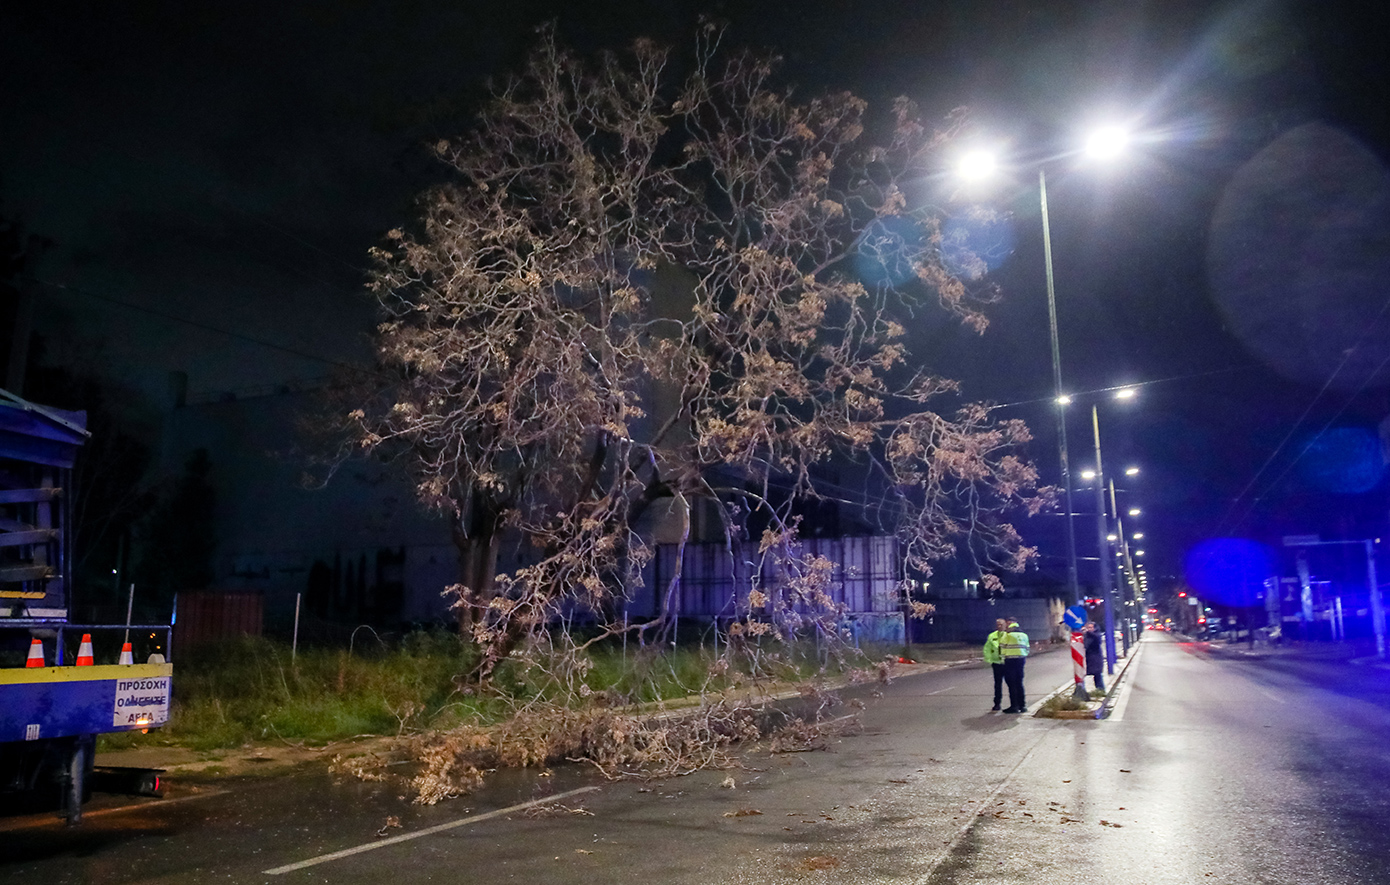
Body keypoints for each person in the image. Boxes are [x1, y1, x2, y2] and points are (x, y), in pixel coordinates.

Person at [1000, 618, 1030, 713]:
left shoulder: (1007, 635)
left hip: (1010, 661)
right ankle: (1023, 706)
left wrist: (1002, 659)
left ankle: (1014, 706)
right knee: (1019, 683)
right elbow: (1027, 648)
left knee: (1011, 684)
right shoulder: (1024, 635)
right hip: (1021, 660)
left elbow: (1002, 648)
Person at [982, 618, 1007, 712]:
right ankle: (997, 704)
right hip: (996, 663)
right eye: (998, 624)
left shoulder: (1008, 635)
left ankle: (1015, 704)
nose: (999, 626)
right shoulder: (992, 636)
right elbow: (987, 648)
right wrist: (989, 659)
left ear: (1005, 625)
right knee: (997, 684)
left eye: (1001, 624)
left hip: (1007, 663)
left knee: (1012, 684)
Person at [1082, 621, 1105, 693]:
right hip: (1089, 659)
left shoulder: (1096, 635)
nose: (1089, 629)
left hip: (1096, 659)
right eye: (1088, 627)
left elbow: (1097, 639)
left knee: (1097, 675)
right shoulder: (1086, 636)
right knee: (1095, 675)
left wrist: (1087, 632)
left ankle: (1101, 690)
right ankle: (1099, 690)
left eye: (1091, 627)